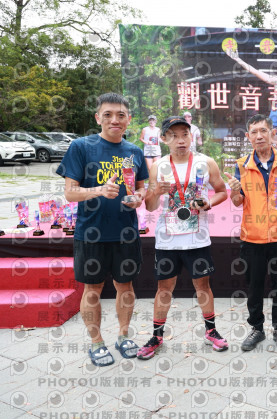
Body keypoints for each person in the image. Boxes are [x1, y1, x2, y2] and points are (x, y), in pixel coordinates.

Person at [56, 92, 148, 367]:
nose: (114, 120)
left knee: (125, 286)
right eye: (107, 114)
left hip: (126, 233)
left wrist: (139, 197)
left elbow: (141, 187)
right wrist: (99, 190)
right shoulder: (81, 147)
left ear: (128, 119)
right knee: (92, 289)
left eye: (120, 115)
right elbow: (70, 193)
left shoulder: (135, 151)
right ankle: (96, 342)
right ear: (98, 118)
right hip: (91, 233)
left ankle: (123, 336)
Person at [136, 116, 229, 360]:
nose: (180, 140)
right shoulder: (158, 166)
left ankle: (211, 331)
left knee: (203, 286)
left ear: (191, 136)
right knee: (164, 288)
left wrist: (208, 203)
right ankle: (156, 336)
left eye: (184, 134)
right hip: (167, 239)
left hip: (197, 238)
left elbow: (221, 192)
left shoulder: (206, 162)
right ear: (164, 139)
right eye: (174, 135)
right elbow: (150, 206)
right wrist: (156, 192)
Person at [225, 114, 277, 352]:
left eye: (263, 131)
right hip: (252, 237)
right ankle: (256, 329)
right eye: (254, 132)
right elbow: (238, 202)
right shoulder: (242, 165)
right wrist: (234, 191)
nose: (259, 136)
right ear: (248, 136)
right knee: (254, 286)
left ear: (272, 133)